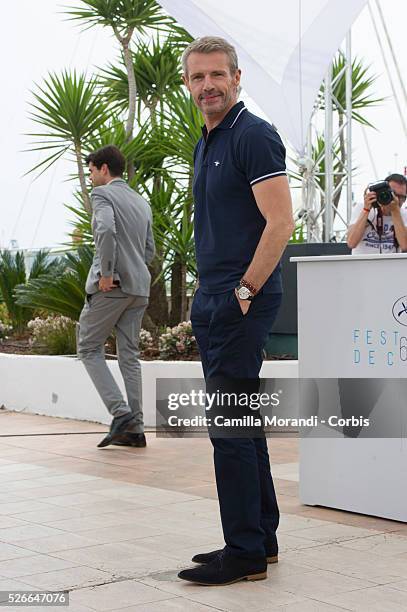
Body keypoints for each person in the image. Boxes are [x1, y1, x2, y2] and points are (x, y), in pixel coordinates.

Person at [177, 37, 294, 586]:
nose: (208, 87)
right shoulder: (207, 139)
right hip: (217, 297)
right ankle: (260, 539)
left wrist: (242, 293)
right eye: (198, 78)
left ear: (237, 77)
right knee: (242, 422)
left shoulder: (253, 135)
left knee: (228, 425)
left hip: (241, 298)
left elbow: (280, 223)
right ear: (188, 84)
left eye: (216, 76)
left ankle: (243, 550)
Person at [77, 145, 155, 449]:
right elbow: (148, 250)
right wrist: (132, 268)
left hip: (113, 286)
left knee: (88, 347)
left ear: (104, 168)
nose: (91, 176)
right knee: (129, 356)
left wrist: (107, 273)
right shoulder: (141, 202)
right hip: (139, 288)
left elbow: (106, 231)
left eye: (92, 170)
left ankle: (120, 413)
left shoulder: (102, 195)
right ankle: (135, 430)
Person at [347, 174, 407, 254]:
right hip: (362, 264)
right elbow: (351, 243)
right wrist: (366, 210)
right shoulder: (362, 208)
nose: (397, 200)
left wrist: (395, 211)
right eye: (393, 194)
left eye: (402, 197)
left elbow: (404, 246)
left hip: (391, 265)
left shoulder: (404, 214)